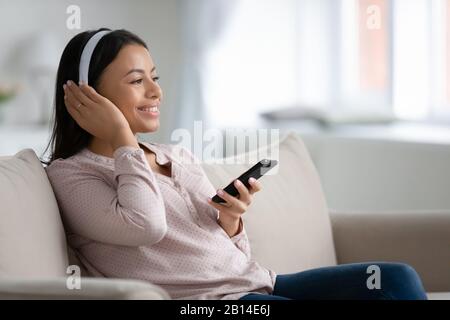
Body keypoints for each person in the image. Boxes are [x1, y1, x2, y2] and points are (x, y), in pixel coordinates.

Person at [43, 28, 428, 300]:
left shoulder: (175, 155)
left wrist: (230, 223)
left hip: (259, 284)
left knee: (395, 279)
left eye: (155, 78)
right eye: (136, 80)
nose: (156, 91)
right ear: (86, 93)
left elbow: (235, 255)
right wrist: (122, 138)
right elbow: (146, 224)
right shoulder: (71, 175)